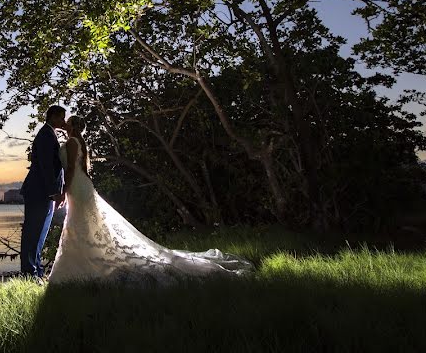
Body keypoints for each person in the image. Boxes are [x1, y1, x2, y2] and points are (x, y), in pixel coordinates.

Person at [47, 115, 253, 284]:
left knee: (80, 224)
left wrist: (65, 190)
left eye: (68, 122)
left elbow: (73, 168)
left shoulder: (73, 142)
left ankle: (83, 266)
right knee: (81, 224)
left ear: (73, 126)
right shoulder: (74, 141)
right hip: (80, 186)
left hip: (77, 186)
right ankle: (85, 262)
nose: (65, 124)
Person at [19, 104, 67, 277]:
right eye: (61, 117)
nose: (63, 121)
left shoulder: (50, 134)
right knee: (33, 233)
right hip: (39, 192)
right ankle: (29, 273)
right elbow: (46, 166)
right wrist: (54, 192)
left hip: (45, 192)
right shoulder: (46, 135)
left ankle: (36, 271)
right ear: (52, 116)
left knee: (40, 234)